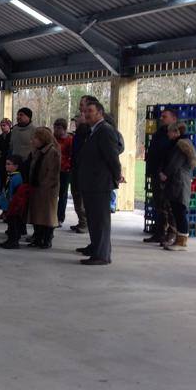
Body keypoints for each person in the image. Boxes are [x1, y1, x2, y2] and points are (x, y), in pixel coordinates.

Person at [75, 98, 122, 265]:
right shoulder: (93, 130)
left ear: (100, 113)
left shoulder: (105, 131)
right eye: (85, 112)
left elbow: (112, 157)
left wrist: (117, 176)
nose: (86, 114)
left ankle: (102, 255)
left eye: (90, 111)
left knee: (100, 220)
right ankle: (96, 249)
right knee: (94, 220)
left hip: (100, 184)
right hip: (91, 183)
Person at [159, 123, 196, 252]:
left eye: (170, 132)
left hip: (179, 182)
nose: (168, 134)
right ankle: (179, 238)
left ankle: (182, 241)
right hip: (179, 181)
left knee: (180, 210)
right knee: (178, 210)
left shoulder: (180, 145)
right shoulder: (181, 144)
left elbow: (174, 164)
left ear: (176, 132)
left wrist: (165, 174)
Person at [143, 107, 178, 243]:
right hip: (156, 173)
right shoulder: (159, 133)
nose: (162, 119)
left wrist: (166, 172)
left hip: (167, 175)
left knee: (169, 206)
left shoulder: (174, 135)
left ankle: (171, 232)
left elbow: (173, 157)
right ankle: (159, 232)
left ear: (174, 119)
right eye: (161, 116)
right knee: (159, 205)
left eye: (165, 117)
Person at [27, 127, 61, 249]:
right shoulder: (37, 151)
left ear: (43, 139)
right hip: (36, 187)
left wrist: (45, 186)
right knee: (37, 214)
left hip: (47, 189)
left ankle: (47, 239)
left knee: (47, 215)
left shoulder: (52, 152)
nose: (33, 141)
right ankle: (38, 237)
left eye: (35, 138)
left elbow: (53, 173)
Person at [69, 109, 90, 233]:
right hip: (75, 168)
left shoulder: (87, 132)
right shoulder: (78, 133)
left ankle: (85, 223)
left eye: (77, 120)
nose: (75, 123)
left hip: (82, 170)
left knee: (81, 197)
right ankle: (81, 221)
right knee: (76, 195)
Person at [0, 155, 27, 249]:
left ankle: (14, 241)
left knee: (14, 224)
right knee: (10, 224)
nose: (6, 166)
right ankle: (10, 240)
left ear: (16, 166)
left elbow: (16, 193)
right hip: (8, 205)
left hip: (13, 206)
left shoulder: (17, 178)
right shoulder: (10, 176)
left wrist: (12, 203)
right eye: (6, 164)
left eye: (8, 164)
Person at [54, 118, 73, 226]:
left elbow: (71, 155)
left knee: (62, 194)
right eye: (55, 127)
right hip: (53, 170)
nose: (57, 130)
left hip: (65, 170)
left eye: (59, 128)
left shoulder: (69, 139)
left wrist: (68, 166)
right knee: (53, 194)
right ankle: (52, 216)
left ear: (64, 129)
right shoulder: (52, 138)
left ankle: (60, 217)